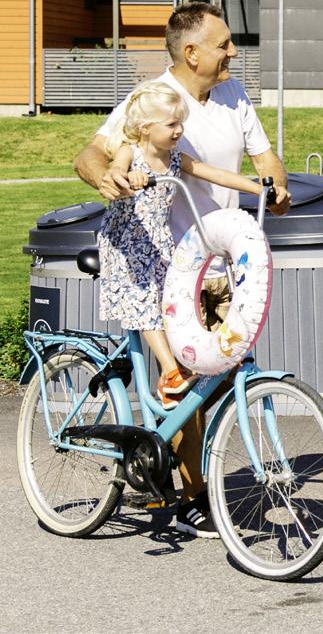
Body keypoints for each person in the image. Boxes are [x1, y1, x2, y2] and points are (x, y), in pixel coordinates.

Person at [75, 1, 291, 538]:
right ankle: (191, 491)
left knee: (225, 368)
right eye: (224, 44)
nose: (234, 52)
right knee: (192, 376)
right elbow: (93, 154)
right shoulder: (153, 100)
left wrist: (275, 184)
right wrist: (107, 179)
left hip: (225, 259)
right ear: (191, 52)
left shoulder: (235, 94)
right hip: (173, 264)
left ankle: (192, 476)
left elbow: (264, 159)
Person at [98, 80, 265, 408]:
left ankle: (183, 363)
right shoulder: (130, 152)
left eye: (181, 123)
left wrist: (258, 189)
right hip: (126, 244)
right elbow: (117, 168)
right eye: (172, 124)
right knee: (145, 302)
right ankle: (170, 373)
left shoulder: (175, 158)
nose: (179, 130)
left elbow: (211, 173)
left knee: (174, 300)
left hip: (159, 241)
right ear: (145, 128)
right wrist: (127, 176)